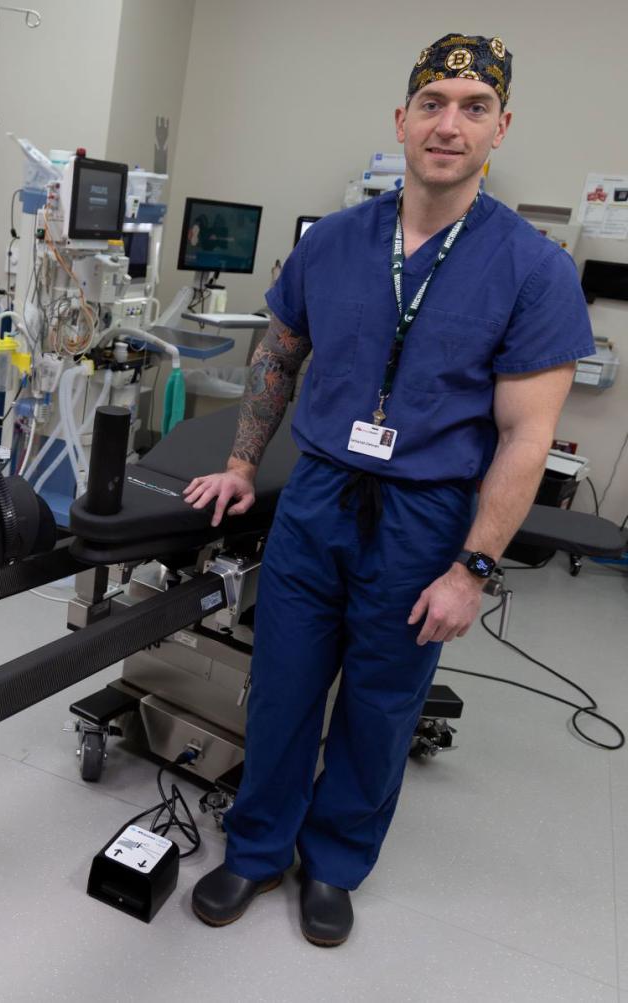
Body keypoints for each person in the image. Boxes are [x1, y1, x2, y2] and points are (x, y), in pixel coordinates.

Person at [182, 33, 593, 947]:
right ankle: (255, 848)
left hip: (425, 517)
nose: (450, 123)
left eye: (473, 107)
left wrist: (472, 568)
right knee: (284, 684)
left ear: (500, 128)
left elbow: (527, 438)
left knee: (380, 702)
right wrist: (245, 461)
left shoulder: (533, 269)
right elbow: (277, 354)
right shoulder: (333, 242)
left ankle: (334, 862)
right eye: (434, 103)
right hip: (321, 497)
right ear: (401, 119)